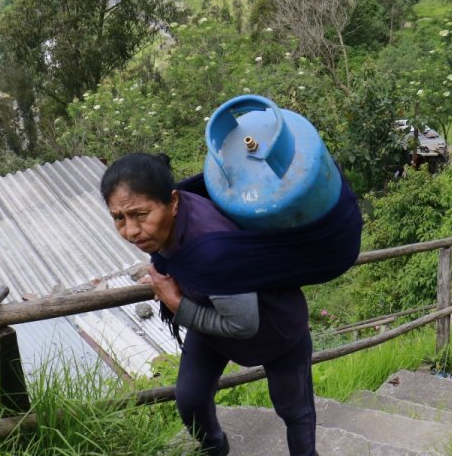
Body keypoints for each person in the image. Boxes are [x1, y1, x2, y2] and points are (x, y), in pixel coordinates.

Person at [101, 152, 317, 456]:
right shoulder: (169, 222)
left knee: (294, 410)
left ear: (173, 202)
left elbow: (243, 324)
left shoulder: (213, 248)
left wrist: (175, 300)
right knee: (190, 398)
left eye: (140, 215)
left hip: (276, 327)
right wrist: (166, 270)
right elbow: (177, 253)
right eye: (118, 218)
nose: (130, 231)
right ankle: (215, 448)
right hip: (212, 314)